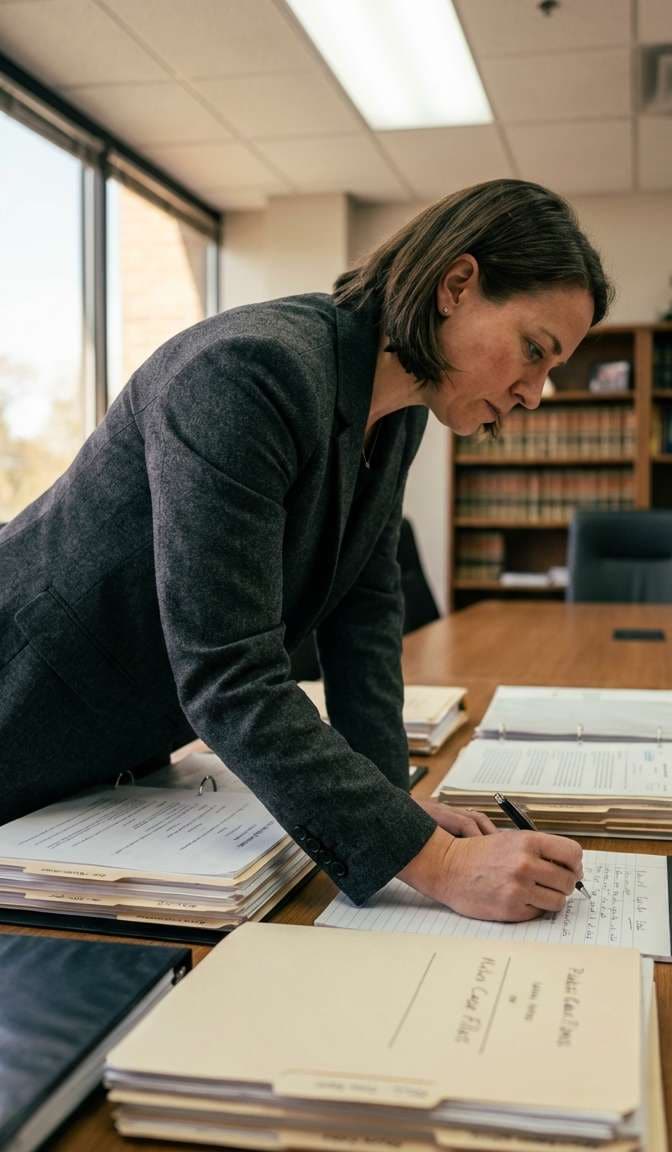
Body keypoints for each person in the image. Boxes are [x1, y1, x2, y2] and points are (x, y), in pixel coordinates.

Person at [0, 179, 612, 921]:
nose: (534, 392)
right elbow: (231, 672)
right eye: (533, 351)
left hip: (114, 744)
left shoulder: (397, 416)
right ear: (458, 285)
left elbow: (363, 617)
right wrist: (439, 861)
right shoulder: (250, 373)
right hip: (23, 708)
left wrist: (395, 811)